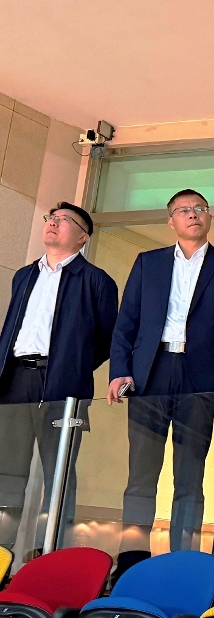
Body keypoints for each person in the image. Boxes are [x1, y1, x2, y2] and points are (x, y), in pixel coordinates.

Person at [108, 189, 214, 571]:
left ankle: (182, 562)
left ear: (209, 217)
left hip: (200, 376)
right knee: (141, 473)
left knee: (190, 475)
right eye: (184, 210)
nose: (193, 214)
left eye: (200, 208)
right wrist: (120, 370)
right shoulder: (148, 262)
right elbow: (126, 322)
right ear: (171, 221)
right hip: (150, 373)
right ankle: (131, 560)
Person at [0, 203, 117, 548]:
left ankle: (48, 552)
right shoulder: (24, 275)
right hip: (15, 380)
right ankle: (2, 553)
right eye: (50, 218)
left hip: (63, 385)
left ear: (83, 237)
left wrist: (71, 365)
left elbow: (107, 339)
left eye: (63, 220)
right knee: (7, 472)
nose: (53, 223)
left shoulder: (96, 280)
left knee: (59, 472)